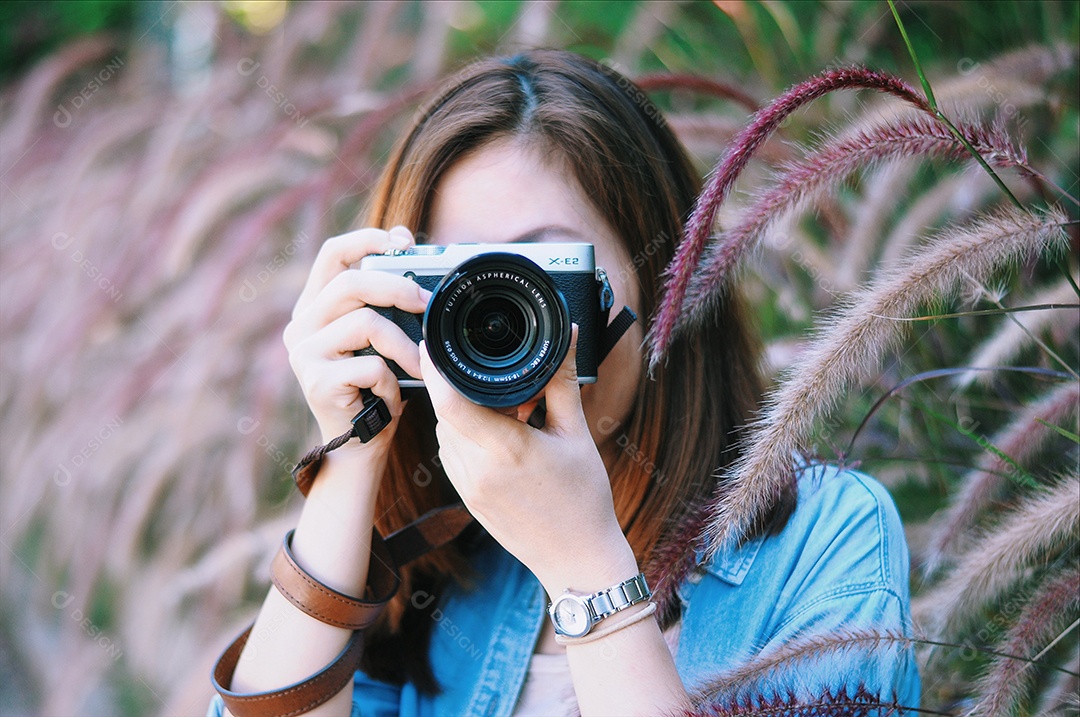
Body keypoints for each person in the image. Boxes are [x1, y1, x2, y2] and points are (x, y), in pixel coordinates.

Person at [208, 49, 919, 717]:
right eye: (458, 282)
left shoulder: (825, 538)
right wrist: (351, 451)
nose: (499, 322)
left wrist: (584, 560)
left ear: (668, 274)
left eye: (540, 275)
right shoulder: (438, 568)